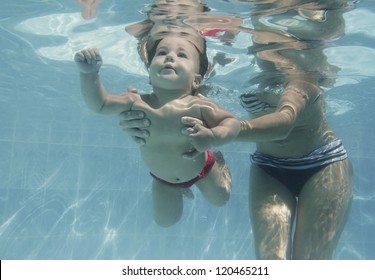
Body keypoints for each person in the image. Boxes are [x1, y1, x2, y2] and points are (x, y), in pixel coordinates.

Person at [119, 0, 354, 259]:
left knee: (312, 260)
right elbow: (184, 98)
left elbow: (283, 125)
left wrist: (222, 131)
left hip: (322, 165)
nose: (275, 54)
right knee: (270, 260)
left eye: (284, 46)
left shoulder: (302, 80)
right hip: (269, 168)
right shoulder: (245, 76)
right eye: (264, 45)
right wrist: (143, 120)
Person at [74, 36, 240, 227]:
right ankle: (179, 190)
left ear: (196, 80)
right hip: (163, 180)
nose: (170, 57)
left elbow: (231, 122)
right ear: (150, 75)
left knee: (221, 199)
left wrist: (213, 137)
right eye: (162, 53)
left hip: (203, 168)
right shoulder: (135, 102)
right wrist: (89, 75)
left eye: (181, 55)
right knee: (165, 221)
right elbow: (100, 104)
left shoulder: (198, 104)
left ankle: (219, 162)